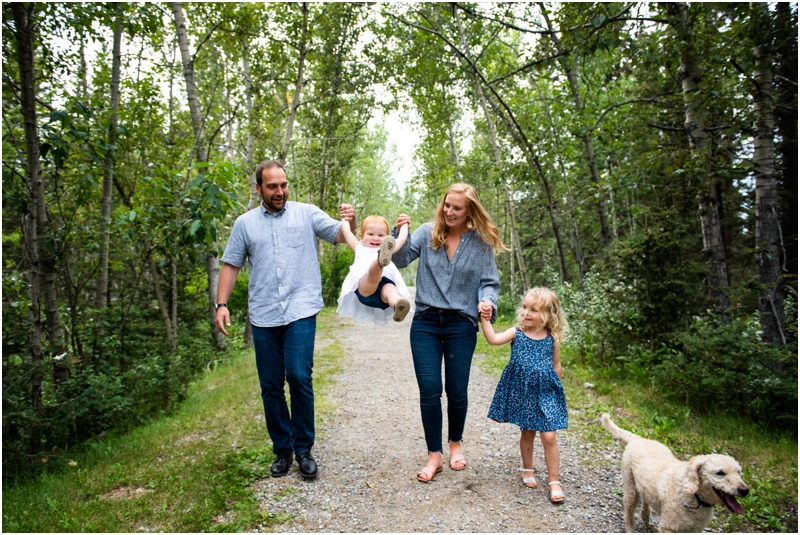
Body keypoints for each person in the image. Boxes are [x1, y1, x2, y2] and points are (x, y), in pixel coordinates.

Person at [215, 159, 356, 480]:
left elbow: (338, 233)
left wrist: (351, 221)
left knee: (299, 376)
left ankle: (304, 449)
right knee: (270, 385)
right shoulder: (245, 224)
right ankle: (283, 449)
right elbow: (231, 265)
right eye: (272, 186)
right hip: (264, 315)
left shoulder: (306, 213)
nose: (280, 192)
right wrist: (221, 304)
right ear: (259, 188)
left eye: (284, 185)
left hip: (301, 309)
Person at [391, 183, 507, 483]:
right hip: (426, 322)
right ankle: (434, 455)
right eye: (447, 205)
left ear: (470, 211)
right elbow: (399, 259)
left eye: (457, 207)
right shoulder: (428, 233)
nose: (449, 211)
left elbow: (489, 282)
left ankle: (455, 443)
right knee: (429, 390)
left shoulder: (480, 243)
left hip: (461, 324)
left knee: (456, 390)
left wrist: (487, 302)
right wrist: (398, 232)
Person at [480, 287, 569, 502]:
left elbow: (557, 366)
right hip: (524, 393)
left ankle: (554, 480)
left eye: (534, 310)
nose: (527, 313)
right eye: (525, 307)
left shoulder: (551, 339)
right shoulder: (516, 333)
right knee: (528, 432)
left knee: (549, 435)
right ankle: (527, 468)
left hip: (546, 392)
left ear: (548, 315)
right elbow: (492, 339)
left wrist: (557, 393)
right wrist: (485, 319)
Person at [337, 215, 412, 324]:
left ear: (387, 237)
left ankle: (397, 305)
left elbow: (401, 239)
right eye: (371, 234)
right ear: (362, 236)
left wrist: (404, 224)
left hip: (384, 285)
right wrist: (345, 219)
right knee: (373, 275)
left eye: (381, 235)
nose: (376, 238)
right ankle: (379, 260)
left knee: (391, 290)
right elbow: (347, 232)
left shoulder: (389, 248)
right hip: (366, 286)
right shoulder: (359, 247)